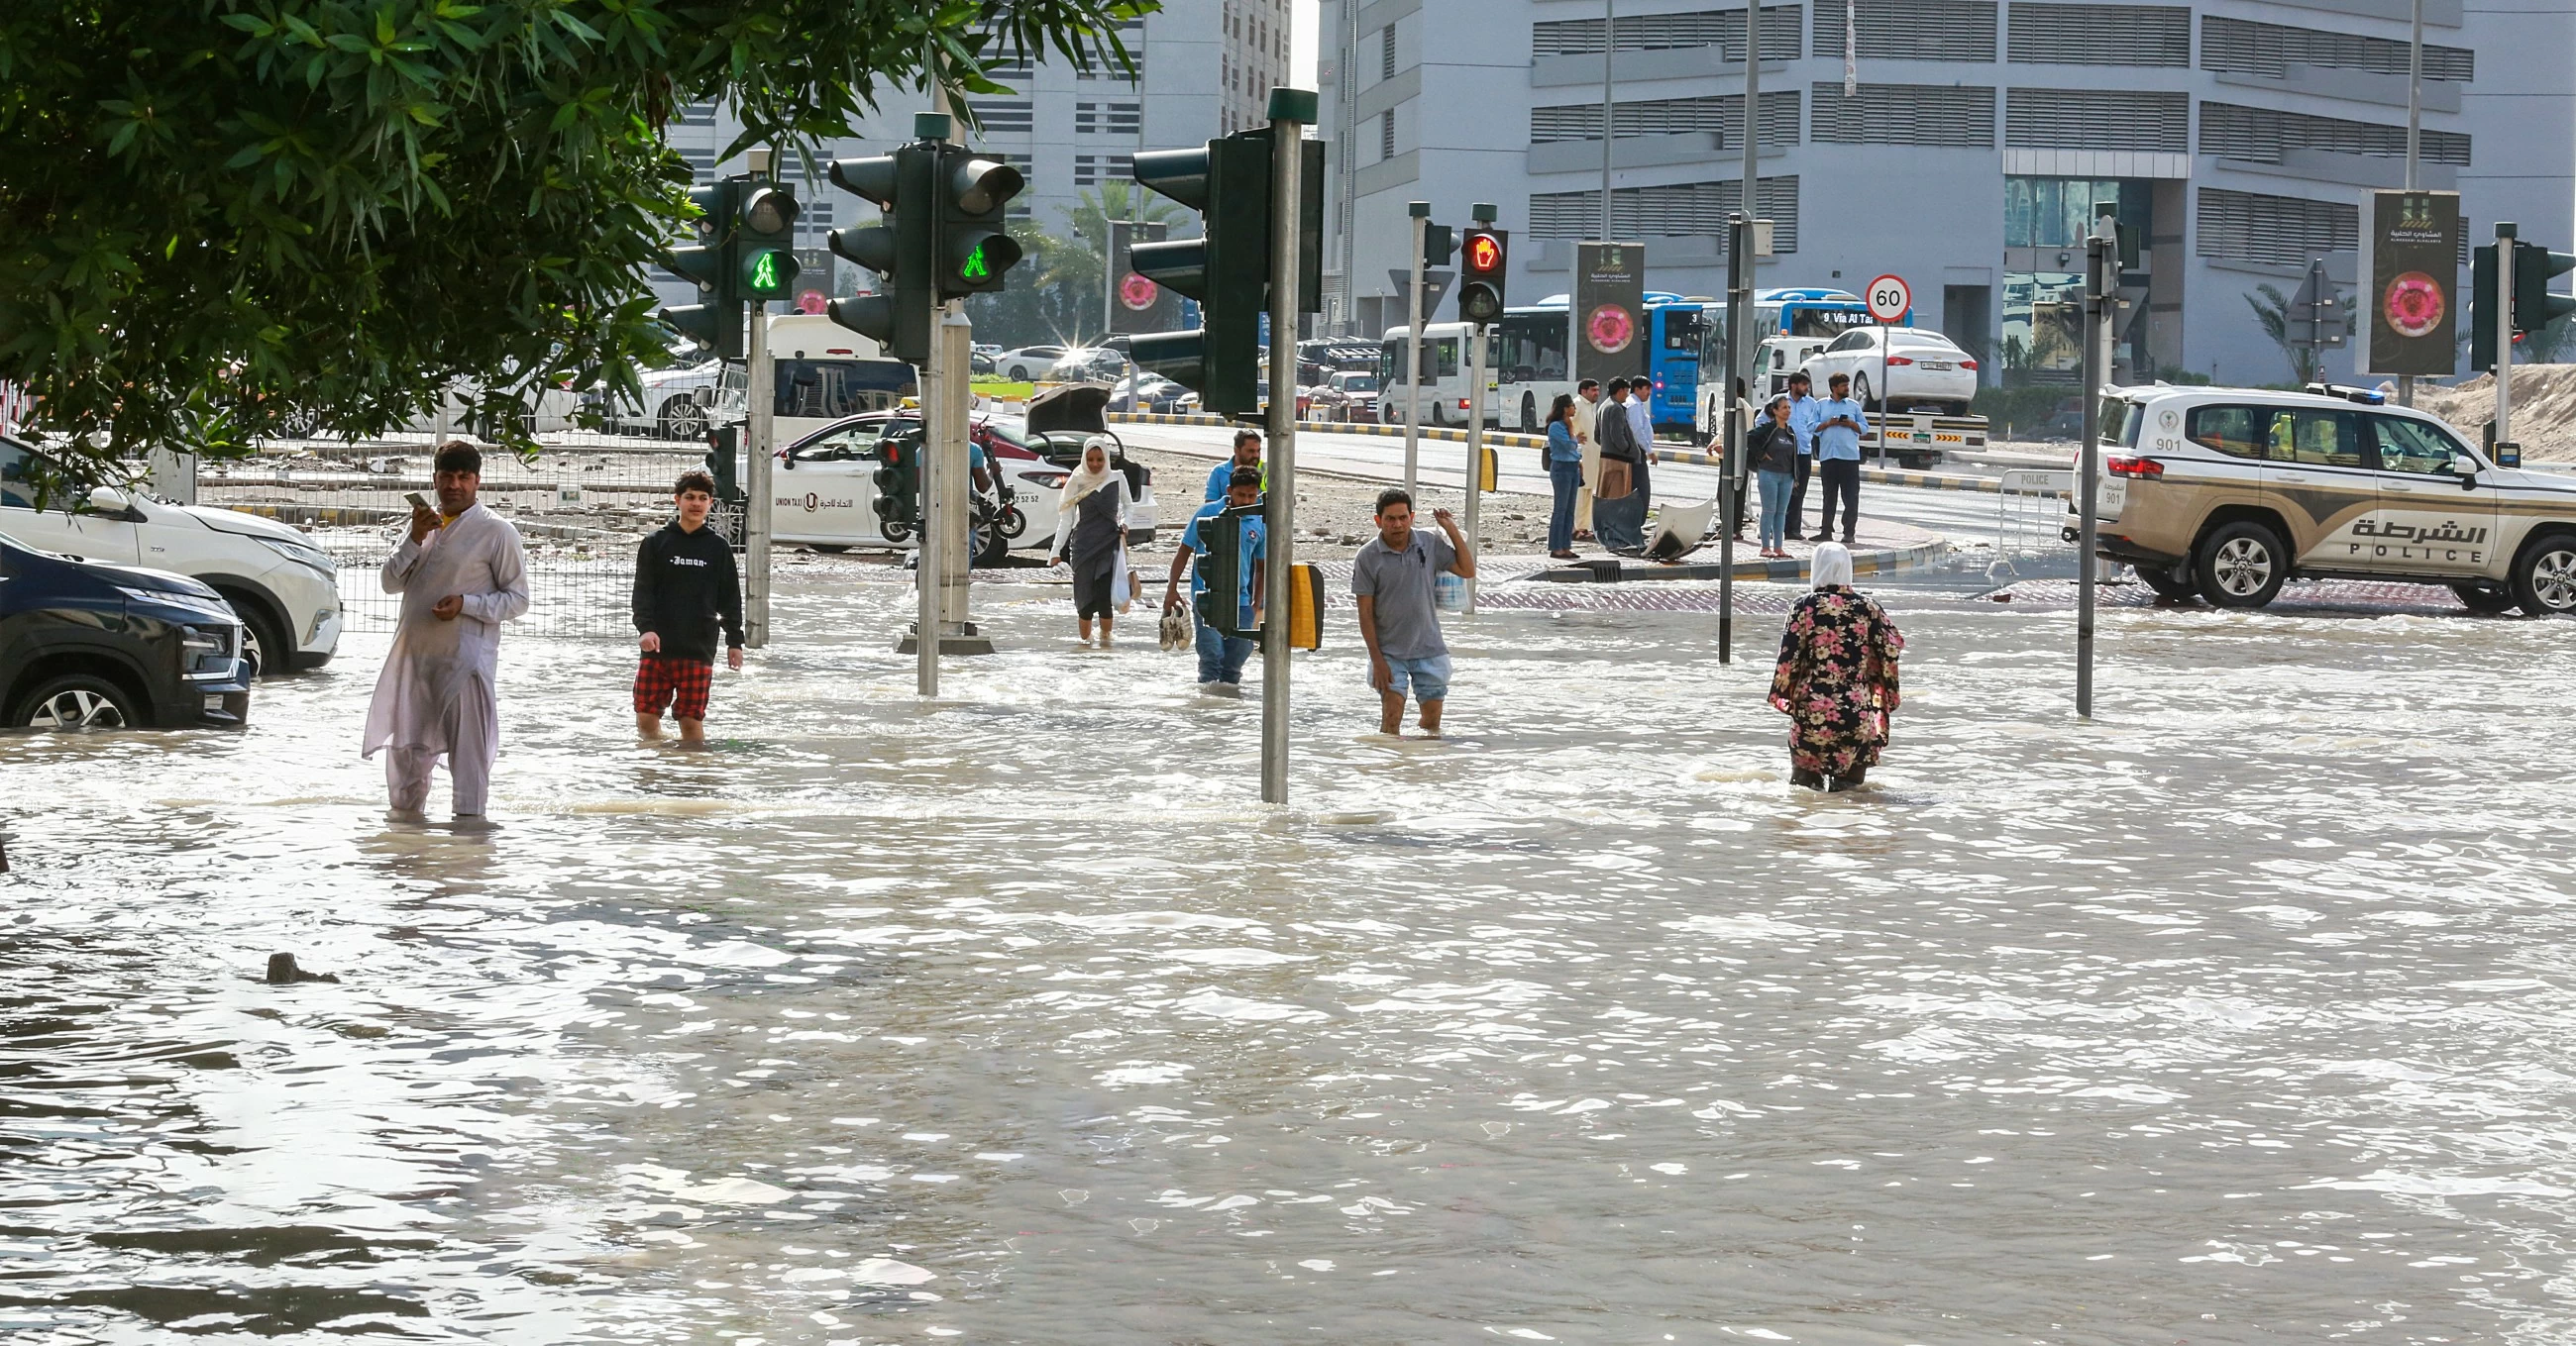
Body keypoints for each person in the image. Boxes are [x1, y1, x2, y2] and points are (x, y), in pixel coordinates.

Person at [363, 441, 530, 828]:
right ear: (435, 480)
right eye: (447, 477)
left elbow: (517, 600)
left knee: (468, 759)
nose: (455, 485)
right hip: (414, 659)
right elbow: (390, 583)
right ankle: (407, 845)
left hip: (465, 662)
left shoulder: (496, 531)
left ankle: (469, 849)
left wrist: (466, 604)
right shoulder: (422, 525)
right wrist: (413, 538)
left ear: (477, 482)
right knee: (406, 756)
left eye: (463, 477)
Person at [1769, 542, 1903, 792]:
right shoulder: (1869, 607)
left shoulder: (1804, 606)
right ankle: (1849, 829)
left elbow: (1788, 658)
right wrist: (1878, 685)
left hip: (1813, 708)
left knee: (1804, 789)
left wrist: (1785, 697)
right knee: (1850, 793)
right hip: (1856, 708)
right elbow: (1892, 647)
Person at [631, 468, 745, 746]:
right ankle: (655, 772)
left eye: (703, 497)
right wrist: (645, 629)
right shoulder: (655, 542)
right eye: (690, 497)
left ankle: (693, 777)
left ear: (710, 504)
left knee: (691, 722)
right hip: (657, 648)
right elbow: (642, 591)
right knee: (646, 718)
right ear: (677, 500)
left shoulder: (718, 548)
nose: (696, 503)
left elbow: (730, 598)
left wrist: (735, 642)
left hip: (699, 649)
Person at [1351, 488, 1474, 737]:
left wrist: (1451, 529)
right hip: (1389, 652)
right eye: (1390, 519)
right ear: (1378, 521)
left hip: (1429, 647)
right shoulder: (1367, 556)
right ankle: (1389, 768)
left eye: (1403, 518)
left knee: (1432, 722)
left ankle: (1420, 768)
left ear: (1412, 517)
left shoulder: (1428, 544)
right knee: (1392, 716)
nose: (1397, 524)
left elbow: (1467, 570)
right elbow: (1364, 613)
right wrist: (1376, 660)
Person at [1164, 466, 1266, 695]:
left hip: (1241, 601)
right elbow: (1183, 552)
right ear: (1230, 491)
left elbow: (1261, 567)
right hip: (1207, 598)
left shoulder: (1259, 521)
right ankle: (1208, 708)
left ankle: (1229, 708)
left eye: (1252, 495)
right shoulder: (1207, 513)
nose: (1246, 500)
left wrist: (1256, 602)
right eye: (1241, 495)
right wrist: (1171, 589)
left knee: (1236, 660)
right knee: (1211, 658)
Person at [1051, 436, 1131, 647]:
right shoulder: (1076, 481)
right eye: (1091, 460)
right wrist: (1055, 552)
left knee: (1105, 598)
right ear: (1084, 459)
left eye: (1099, 460)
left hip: (1109, 544)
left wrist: (1125, 522)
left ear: (1106, 458)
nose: (1095, 464)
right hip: (1083, 547)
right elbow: (1066, 521)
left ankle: (1106, 648)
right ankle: (1085, 647)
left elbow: (1128, 506)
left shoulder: (1117, 478)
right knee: (1084, 602)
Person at [1592, 378, 1653, 553]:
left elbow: (1598, 435)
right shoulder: (1616, 408)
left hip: (1606, 458)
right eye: (1626, 391)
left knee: (1607, 496)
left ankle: (1611, 533)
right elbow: (1617, 435)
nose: (1627, 395)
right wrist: (1629, 450)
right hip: (1618, 461)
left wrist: (1607, 445)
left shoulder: (1603, 406)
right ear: (1619, 391)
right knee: (1618, 499)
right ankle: (1616, 537)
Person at [1810, 371, 1868, 544]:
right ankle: (1826, 530)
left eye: (1847, 385)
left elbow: (1864, 428)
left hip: (1849, 457)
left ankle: (1849, 532)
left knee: (1850, 497)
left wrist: (1850, 423)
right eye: (1843, 386)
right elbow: (1811, 427)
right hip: (1828, 456)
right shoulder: (1821, 405)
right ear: (1834, 388)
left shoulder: (1853, 405)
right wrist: (1828, 423)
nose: (1847, 389)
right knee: (1829, 496)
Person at [1750, 395, 1799, 559]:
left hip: (1786, 476)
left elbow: (1794, 456)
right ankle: (1765, 547)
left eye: (1789, 408)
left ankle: (1779, 547)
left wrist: (1795, 477)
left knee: (1781, 512)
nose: (1787, 411)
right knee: (1769, 510)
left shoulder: (1790, 432)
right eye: (1784, 408)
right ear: (1775, 411)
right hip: (1768, 474)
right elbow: (1750, 438)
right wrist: (1762, 455)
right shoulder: (1768, 429)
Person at [1542, 392, 1582, 559]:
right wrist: (1573, 434)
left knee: (1570, 510)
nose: (1574, 408)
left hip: (1573, 468)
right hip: (1561, 469)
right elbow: (1569, 445)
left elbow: (1574, 448)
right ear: (1565, 409)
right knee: (1560, 509)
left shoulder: (1567, 425)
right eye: (1572, 405)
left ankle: (1566, 546)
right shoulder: (1556, 426)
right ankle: (1555, 546)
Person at [1783, 370, 1822, 538]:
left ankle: (1794, 530)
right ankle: (1778, 528)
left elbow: (1817, 424)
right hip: (1784, 453)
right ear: (1793, 385)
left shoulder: (1811, 404)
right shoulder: (1780, 401)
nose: (1807, 388)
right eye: (1803, 384)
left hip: (1804, 453)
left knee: (1800, 492)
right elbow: (1761, 420)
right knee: (1783, 490)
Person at [1569, 377, 1603, 543]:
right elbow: (1565, 423)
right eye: (1593, 390)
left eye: (1598, 390)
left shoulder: (1589, 407)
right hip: (1580, 457)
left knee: (1588, 492)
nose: (1597, 393)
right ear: (1584, 391)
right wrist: (1574, 437)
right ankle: (1575, 529)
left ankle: (1584, 528)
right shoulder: (1577, 405)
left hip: (1592, 458)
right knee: (1581, 493)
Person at [1205, 428, 1263, 502]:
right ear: (1236, 450)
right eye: (1251, 451)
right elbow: (1210, 504)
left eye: (1258, 451)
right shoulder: (1219, 472)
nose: (1256, 455)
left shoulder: (1265, 472)